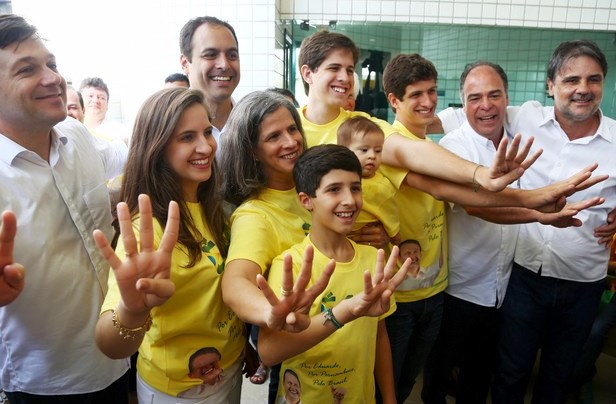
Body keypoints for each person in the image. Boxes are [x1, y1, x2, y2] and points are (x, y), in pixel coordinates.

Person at [0, 14, 129, 403]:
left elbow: (132, 169)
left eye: (52, 65)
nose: (53, 78)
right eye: (27, 69)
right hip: (42, 381)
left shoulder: (78, 135)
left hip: (119, 354)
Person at [94, 88, 246, 403]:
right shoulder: (145, 229)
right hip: (180, 390)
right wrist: (132, 312)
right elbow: (110, 343)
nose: (205, 146)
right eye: (187, 137)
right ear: (157, 147)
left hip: (230, 369)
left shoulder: (213, 205)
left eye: (207, 132)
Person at [486, 40, 616, 404]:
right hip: (526, 275)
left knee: (559, 378)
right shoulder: (526, 117)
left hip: (583, 281)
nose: (583, 89)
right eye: (571, 80)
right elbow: (473, 112)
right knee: (510, 370)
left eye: (594, 80)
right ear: (550, 85)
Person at [259, 144, 412, 403]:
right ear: (306, 200)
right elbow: (268, 353)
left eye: (355, 188)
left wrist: (388, 397)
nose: (350, 200)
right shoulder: (290, 265)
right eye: (333, 189)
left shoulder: (372, 259)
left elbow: (379, 334)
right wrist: (343, 312)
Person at [219, 91, 335, 403]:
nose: (290, 141)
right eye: (274, 136)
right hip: (298, 360)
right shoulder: (255, 215)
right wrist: (271, 313)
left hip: (340, 349)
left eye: (292, 129)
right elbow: (235, 282)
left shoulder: (313, 186)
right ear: (253, 151)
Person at [337, 116, 400, 245]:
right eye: (364, 150)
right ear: (343, 151)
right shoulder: (334, 177)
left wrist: (395, 236)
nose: (372, 156)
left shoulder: (382, 186)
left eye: (378, 151)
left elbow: (390, 215)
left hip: (368, 243)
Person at [180, 16, 239, 145]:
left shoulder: (254, 124)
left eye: (232, 55)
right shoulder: (167, 125)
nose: (224, 65)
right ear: (185, 64)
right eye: (210, 55)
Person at [80, 76, 131, 144]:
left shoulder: (121, 132)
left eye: (101, 98)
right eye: (90, 96)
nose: (95, 101)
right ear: (79, 100)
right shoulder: (72, 129)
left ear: (107, 105)